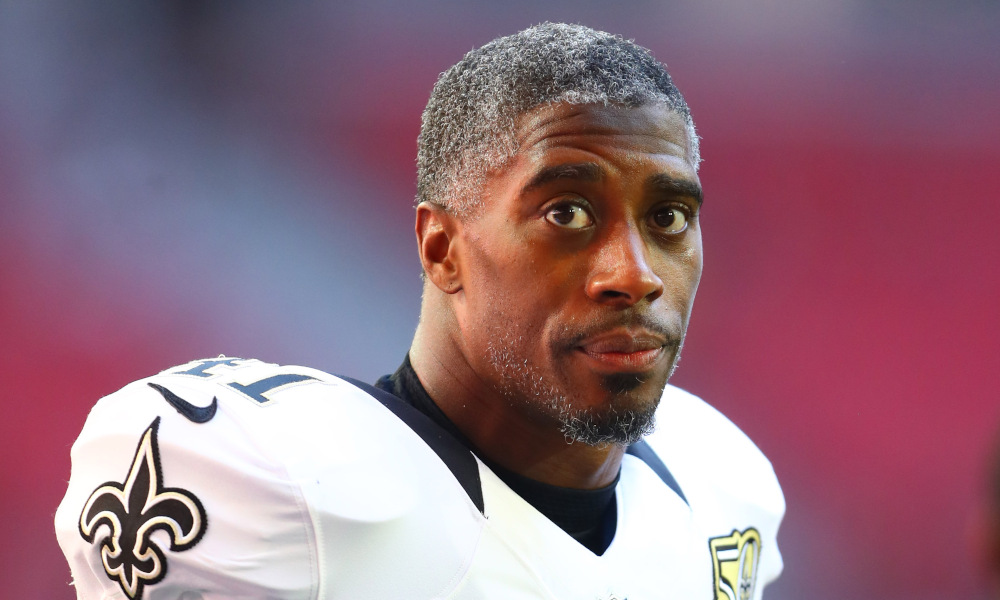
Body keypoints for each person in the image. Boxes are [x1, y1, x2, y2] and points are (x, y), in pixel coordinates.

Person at [56, 23, 784, 599]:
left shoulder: (716, 492)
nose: (634, 274)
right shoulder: (283, 483)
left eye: (668, 219)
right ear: (442, 250)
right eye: (566, 213)